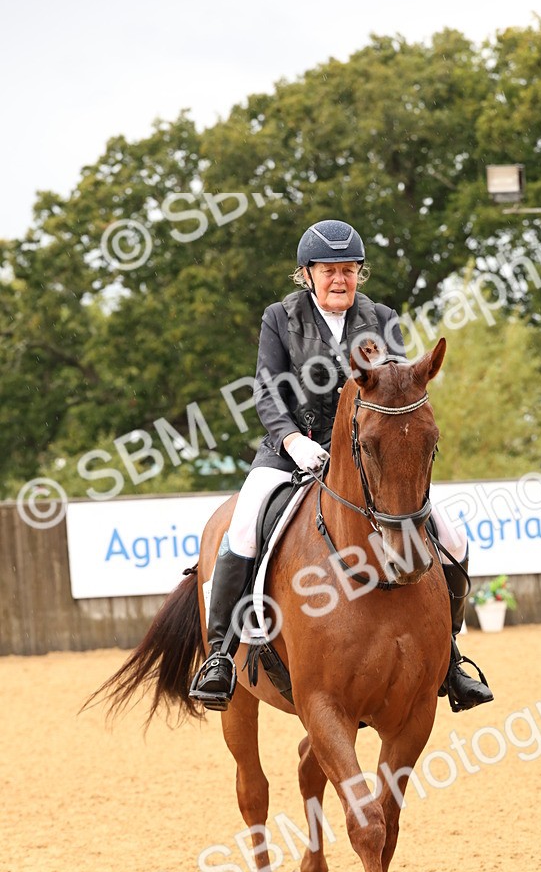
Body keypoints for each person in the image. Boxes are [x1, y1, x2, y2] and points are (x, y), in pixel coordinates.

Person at [189, 219, 494, 713]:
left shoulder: (381, 317)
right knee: (243, 526)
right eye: (329, 270)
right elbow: (266, 390)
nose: (340, 280)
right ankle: (221, 656)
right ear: (307, 274)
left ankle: (451, 660)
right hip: (293, 448)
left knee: (454, 540)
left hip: (369, 459)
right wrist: (291, 440)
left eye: (349, 270)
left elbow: (398, 387)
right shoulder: (281, 318)